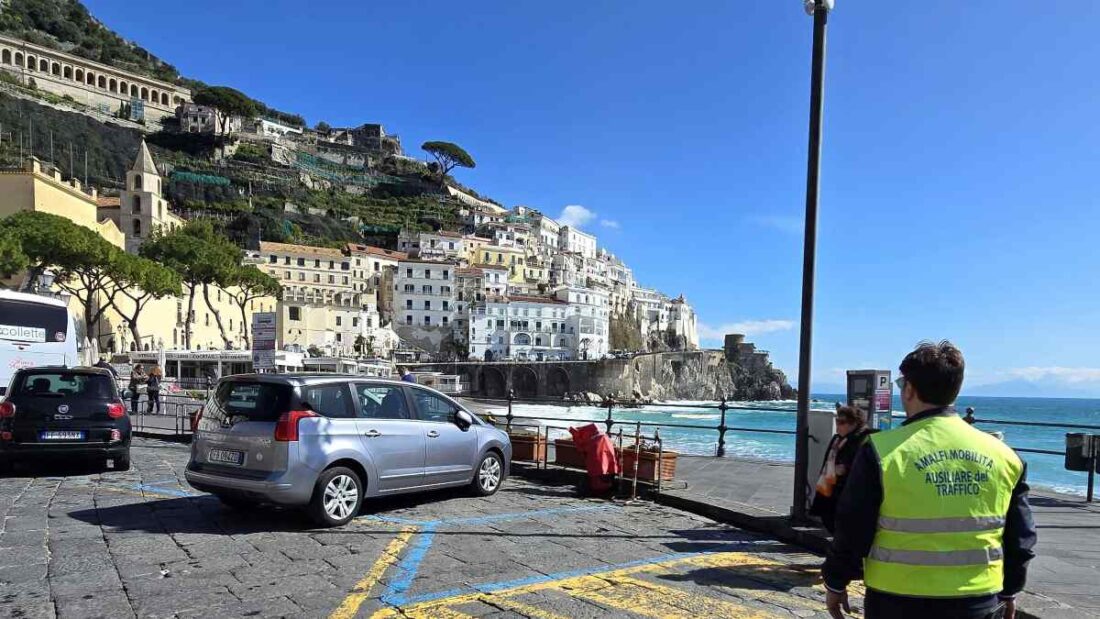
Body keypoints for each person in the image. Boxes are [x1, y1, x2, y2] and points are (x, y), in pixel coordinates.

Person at [823, 341, 1036, 619]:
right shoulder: (1005, 456)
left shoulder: (881, 451)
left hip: (896, 598)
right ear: (955, 389)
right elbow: (1020, 537)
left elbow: (853, 527)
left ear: (909, 389)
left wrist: (836, 580)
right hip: (978, 599)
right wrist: (1010, 590)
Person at [810, 406, 872, 533]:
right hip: (830, 489)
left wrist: (846, 469)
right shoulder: (838, 439)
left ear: (854, 423)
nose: (838, 425)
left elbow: (866, 467)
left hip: (846, 492)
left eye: (842, 422)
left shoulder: (863, 440)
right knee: (829, 520)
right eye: (837, 421)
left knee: (842, 527)